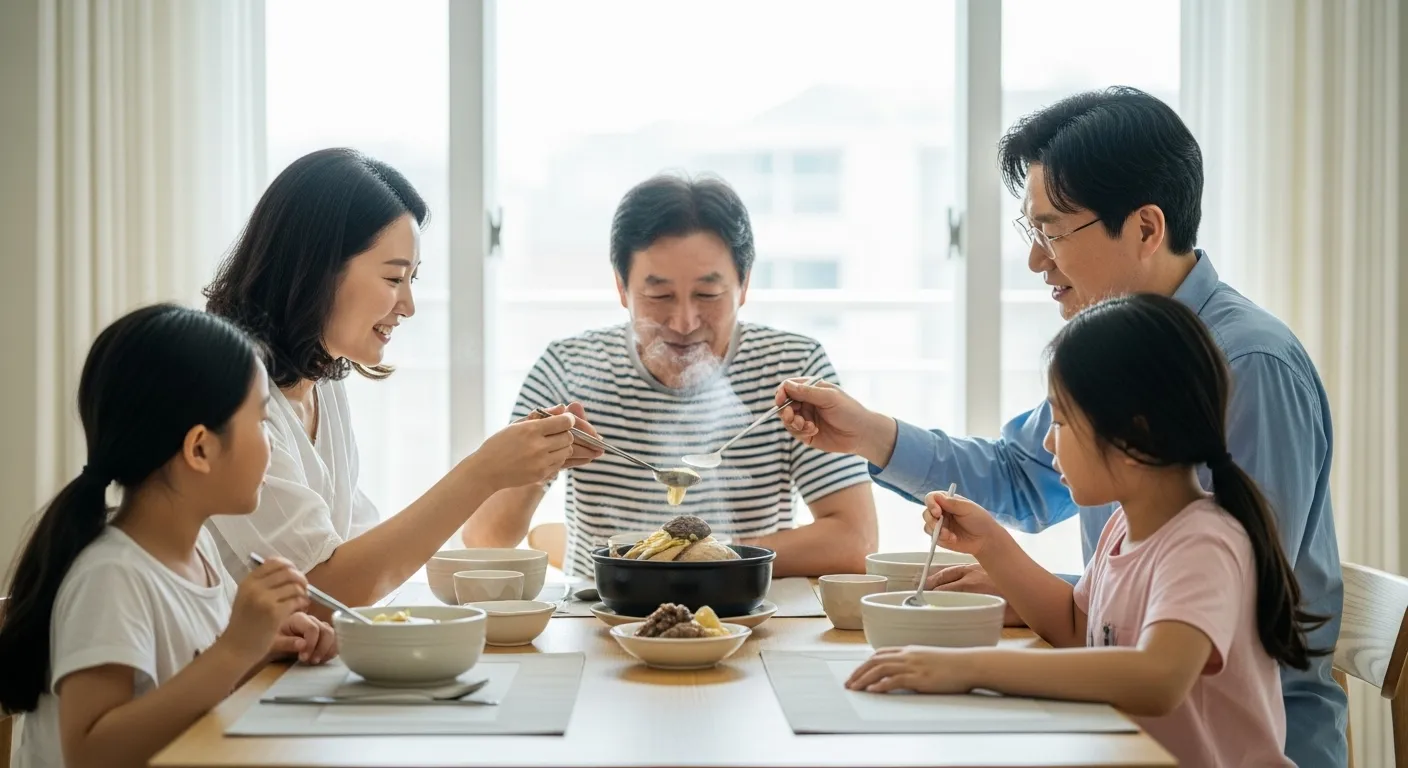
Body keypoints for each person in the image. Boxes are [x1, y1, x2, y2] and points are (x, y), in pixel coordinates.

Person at [777, 87, 1345, 766]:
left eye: (1051, 231)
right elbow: (1025, 477)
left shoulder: (1248, 367)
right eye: (1033, 232)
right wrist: (870, 435)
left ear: (1144, 228)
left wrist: (989, 647)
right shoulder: (1117, 359)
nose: (1035, 261)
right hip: (1129, 723)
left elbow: (1207, 624)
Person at [845, 293, 1325, 768]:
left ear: (1133, 432)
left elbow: (1158, 676)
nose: (1049, 441)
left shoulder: (1204, 541)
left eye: (1060, 420)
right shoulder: (1126, 525)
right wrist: (990, 543)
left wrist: (968, 668)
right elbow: (1078, 628)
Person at [203, 148, 598, 608]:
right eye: (394, 279)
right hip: (235, 674)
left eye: (412, 280)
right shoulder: (230, 391)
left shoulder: (320, 380)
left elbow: (359, 554)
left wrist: (512, 465)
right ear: (315, 270)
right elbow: (323, 592)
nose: (408, 305)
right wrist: (482, 472)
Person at [462, 174, 876, 578]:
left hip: (743, 614)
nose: (683, 322)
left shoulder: (792, 369)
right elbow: (485, 538)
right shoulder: (568, 367)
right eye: (659, 295)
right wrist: (536, 462)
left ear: (744, 286)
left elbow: (856, 540)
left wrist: (700, 558)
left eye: (708, 295)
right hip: (600, 618)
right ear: (621, 288)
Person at [0, 304, 336, 768]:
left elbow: (184, 687)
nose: (272, 443)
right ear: (200, 448)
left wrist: (261, 646)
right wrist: (235, 650)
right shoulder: (111, 575)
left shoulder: (197, 551)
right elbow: (90, 753)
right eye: (261, 423)